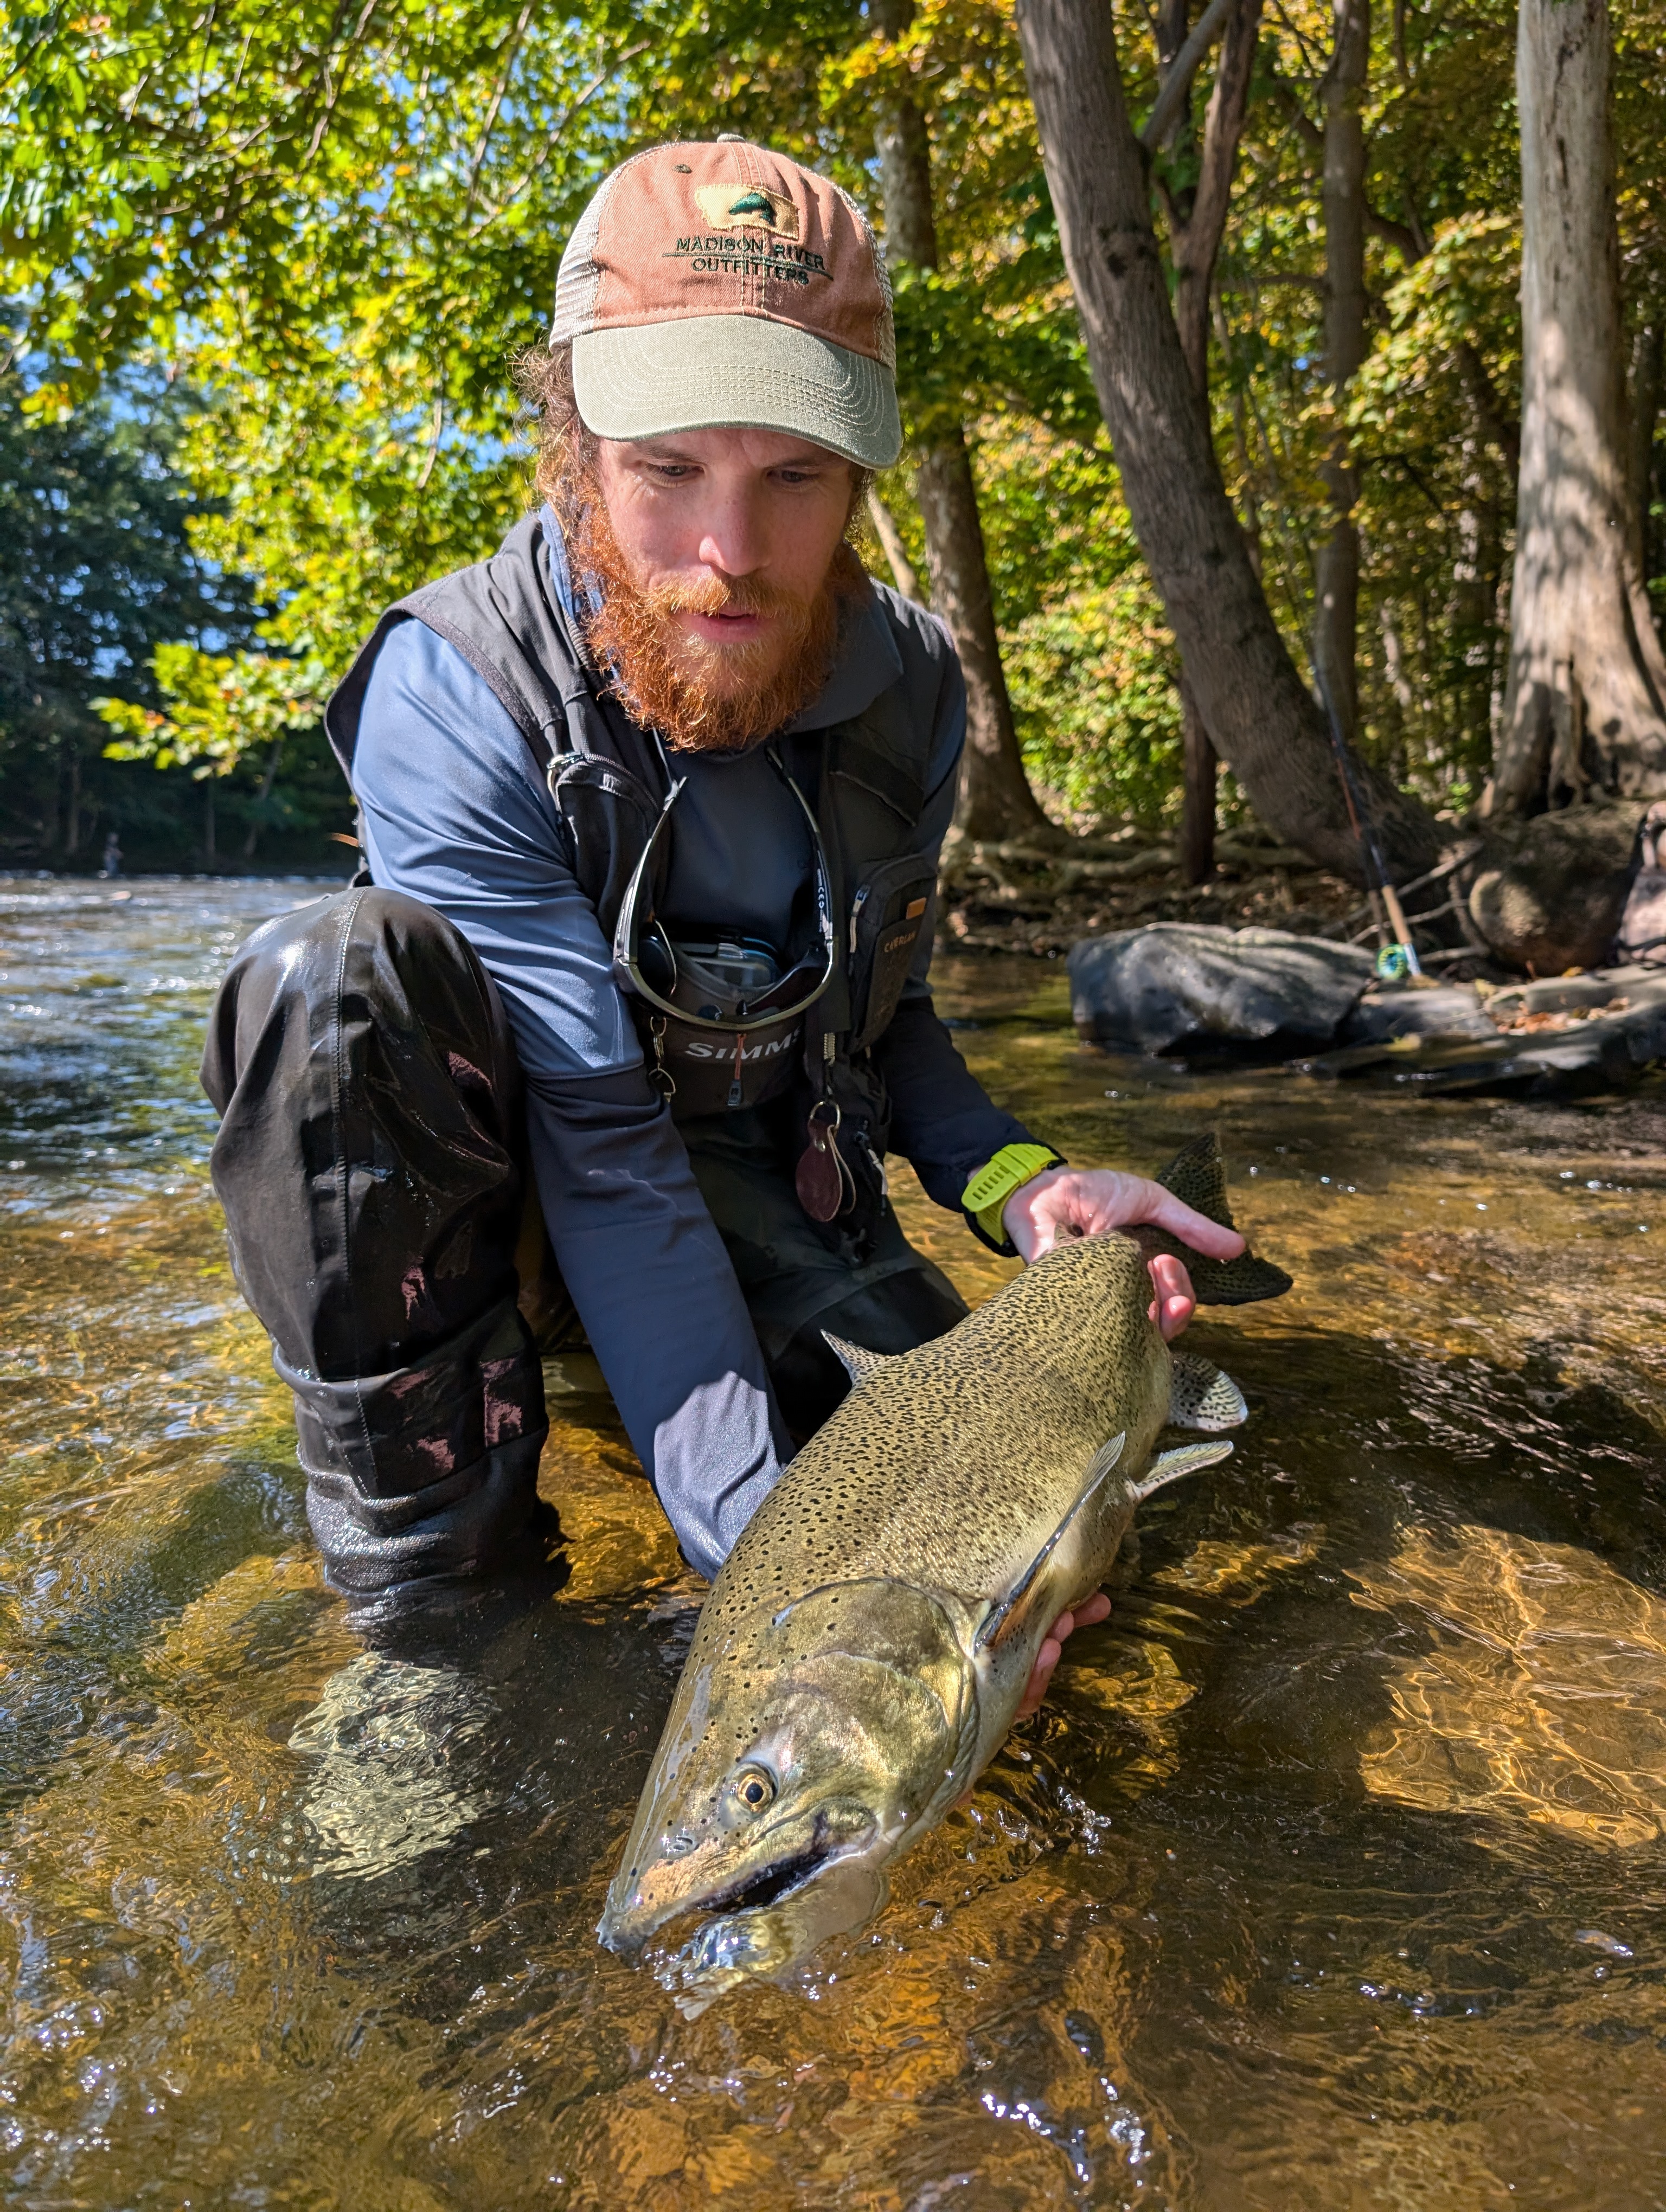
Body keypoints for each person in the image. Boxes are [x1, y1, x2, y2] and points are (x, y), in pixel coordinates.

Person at [201, 139, 1242, 1712]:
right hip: (533, 1193)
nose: (731, 555)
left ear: (863, 480)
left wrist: (1025, 1190)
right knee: (329, 989)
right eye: (669, 469)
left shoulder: (915, 690)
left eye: (796, 479)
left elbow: (885, 1022)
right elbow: (608, 1156)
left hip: (760, 1180)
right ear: (573, 445)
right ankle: (420, 1619)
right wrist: (783, 1598)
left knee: (1041, 1545)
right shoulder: (455, 692)